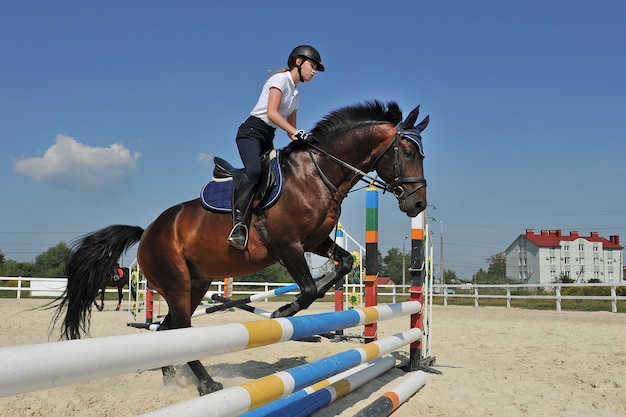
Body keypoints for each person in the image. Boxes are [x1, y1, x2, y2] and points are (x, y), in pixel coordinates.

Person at [227, 45, 325, 250]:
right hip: (251, 133)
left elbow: (291, 131)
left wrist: (308, 140)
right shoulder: (279, 80)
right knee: (254, 171)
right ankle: (237, 225)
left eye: (315, 67)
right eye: (312, 65)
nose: (314, 71)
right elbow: (272, 113)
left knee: (277, 178)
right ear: (298, 62)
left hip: (267, 137)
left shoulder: (296, 94)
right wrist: (295, 132)